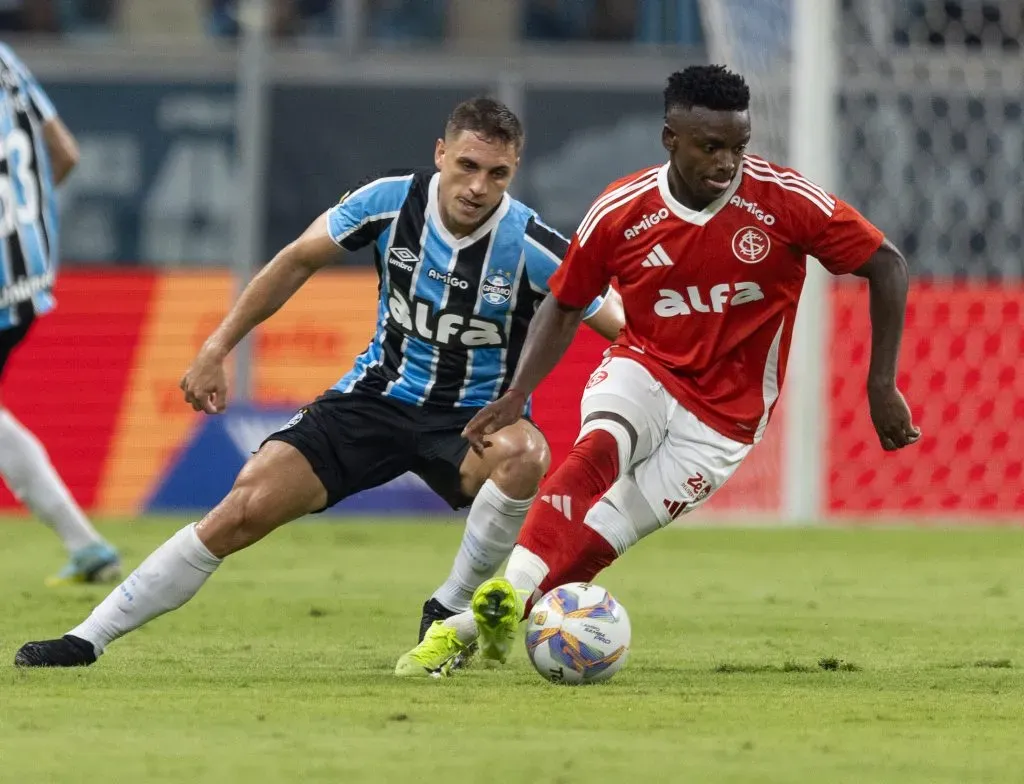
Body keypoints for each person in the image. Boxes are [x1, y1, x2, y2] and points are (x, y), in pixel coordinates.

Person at [14, 97, 624, 669]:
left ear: (513, 171)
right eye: (467, 166)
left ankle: (449, 608)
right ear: (440, 153)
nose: (478, 187)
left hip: (469, 420)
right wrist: (216, 347)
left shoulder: (535, 244)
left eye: (497, 174)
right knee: (242, 508)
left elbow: (620, 325)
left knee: (526, 455)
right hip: (374, 398)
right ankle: (85, 638)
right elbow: (296, 258)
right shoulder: (389, 200)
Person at [396, 65, 922, 673]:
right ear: (670, 137)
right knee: (599, 449)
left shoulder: (784, 200)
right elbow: (565, 306)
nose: (728, 163)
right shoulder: (622, 211)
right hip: (644, 367)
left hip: (727, 419)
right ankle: (502, 598)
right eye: (711, 146)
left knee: (597, 542)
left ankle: (475, 622)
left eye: (739, 146)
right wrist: (518, 394)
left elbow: (886, 263)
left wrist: (881, 384)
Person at [0, 43, 121, 586]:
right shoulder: (7, 59)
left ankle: (86, 544)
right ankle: (86, 545)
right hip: (31, 265)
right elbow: (65, 153)